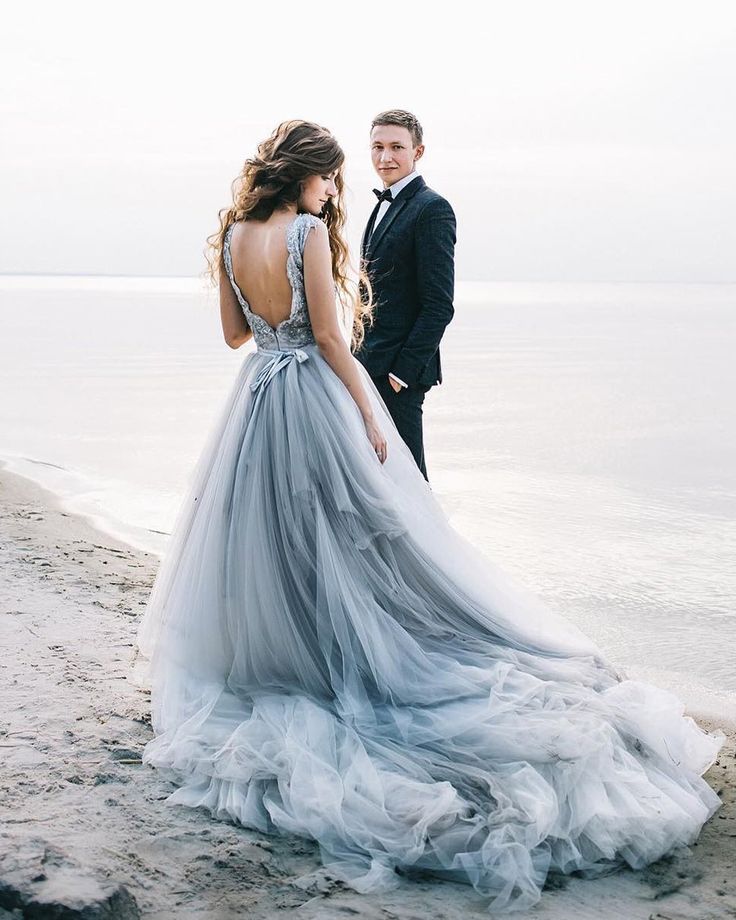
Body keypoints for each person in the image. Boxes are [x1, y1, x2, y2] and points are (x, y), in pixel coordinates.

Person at [134, 119, 723, 914]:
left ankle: (293, 659)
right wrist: (372, 417)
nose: (336, 191)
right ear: (312, 176)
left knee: (275, 547)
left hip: (256, 404)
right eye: (333, 176)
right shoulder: (309, 230)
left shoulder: (235, 232)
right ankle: (348, 662)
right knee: (355, 544)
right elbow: (336, 341)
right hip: (311, 394)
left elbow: (236, 335)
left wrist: (278, 336)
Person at [355, 110, 456, 480]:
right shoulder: (382, 206)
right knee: (379, 480)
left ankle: (426, 542)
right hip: (367, 367)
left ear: (419, 151)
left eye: (397, 147)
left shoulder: (432, 209)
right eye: (377, 147)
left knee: (410, 481)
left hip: (397, 375)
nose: (386, 157)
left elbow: (439, 304)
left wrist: (402, 373)